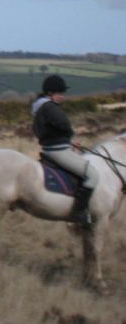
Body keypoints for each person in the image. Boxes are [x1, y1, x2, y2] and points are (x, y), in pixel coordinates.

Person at [31, 74, 98, 227]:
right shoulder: (50, 107)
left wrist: (69, 141)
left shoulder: (40, 107)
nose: (63, 96)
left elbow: (52, 131)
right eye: (60, 93)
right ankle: (78, 212)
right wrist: (68, 137)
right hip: (58, 151)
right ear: (50, 93)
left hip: (53, 147)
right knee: (92, 175)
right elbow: (64, 125)